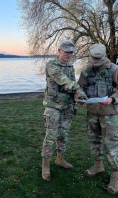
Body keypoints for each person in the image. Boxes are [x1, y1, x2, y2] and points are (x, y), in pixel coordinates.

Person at [76, 44, 118, 195]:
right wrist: (79, 97)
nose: (96, 63)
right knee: (94, 141)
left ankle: (115, 174)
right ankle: (98, 166)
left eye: (99, 60)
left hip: (109, 114)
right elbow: (80, 87)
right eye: (93, 60)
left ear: (105, 56)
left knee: (110, 144)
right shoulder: (86, 70)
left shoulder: (115, 70)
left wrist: (113, 99)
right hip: (92, 113)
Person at [41, 40, 88, 182]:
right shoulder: (51, 65)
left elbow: (72, 86)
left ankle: (60, 159)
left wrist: (77, 99)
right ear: (59, 50)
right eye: (66, 51)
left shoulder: (70, 67)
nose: (69, 54)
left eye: (71, 51)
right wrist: (78, 89)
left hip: (67, 107)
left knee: (63, 135)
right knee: (51, 136)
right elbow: (64, 80)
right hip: (53, 106)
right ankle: (45, 165)